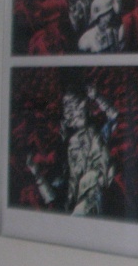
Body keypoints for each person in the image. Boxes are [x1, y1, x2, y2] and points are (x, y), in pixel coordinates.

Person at [25, 84, 118, 216]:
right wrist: (36, 174)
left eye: (75, 106)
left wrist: (97, 97)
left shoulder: (97, 134)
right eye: (68, 107)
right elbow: (52, 198)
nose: (73, 112)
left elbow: (113, 116)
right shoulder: (67, 166)